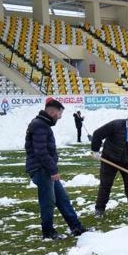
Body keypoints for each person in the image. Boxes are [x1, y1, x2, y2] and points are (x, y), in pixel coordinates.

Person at [25, 99, 87, 239]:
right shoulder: (39, 126)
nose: (60, 117)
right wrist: (52, 170)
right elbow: (41, 152)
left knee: (62, 199)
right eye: (59, 114)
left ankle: (76, 227)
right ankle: (47, 232)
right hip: (41, 169)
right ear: (52, 112)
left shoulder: (43, 125)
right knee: (48, 201)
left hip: (46, 168)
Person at [91, 112, 128, 217]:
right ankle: (99, 209)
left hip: (126, 161)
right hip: (109, 160)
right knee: (105, 185)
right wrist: (95, 150)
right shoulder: (115, 125)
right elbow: (97, 134)